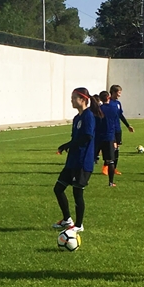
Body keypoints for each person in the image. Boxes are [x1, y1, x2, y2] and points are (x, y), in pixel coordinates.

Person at [52, 88, 102, 232]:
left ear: (83, 99)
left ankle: (79, 225)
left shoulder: (88, 116)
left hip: (83, 161)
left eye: (74, 98)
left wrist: (67, 145)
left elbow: (87, 137)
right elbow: (76, 138)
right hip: (72, 161)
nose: (72, 100)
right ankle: (67, 219)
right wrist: (68, 146)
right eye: (71, 98)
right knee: (58, 188)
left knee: (77, 193)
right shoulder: (77, 118)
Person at [109, 85, 135, 174]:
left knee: (117, 149)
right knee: (112, 148)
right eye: (118, 93)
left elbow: (120, 115)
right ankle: (106, 166)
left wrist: (128, 126)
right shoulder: (107, 103)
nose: (119, 95)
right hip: (110, 130)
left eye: (120, 93)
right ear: (113, 92)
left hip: (117, 129)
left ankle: (114, 168)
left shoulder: (118, 103)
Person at [95, 91, 118, 186]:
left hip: (98, 137)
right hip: (109, 137)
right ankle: (111, 182)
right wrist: (115, 139)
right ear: (108, 97)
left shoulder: (98, 109)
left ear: (100, 99)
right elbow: (115, 124)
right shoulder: (113, 109)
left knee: (90, 159)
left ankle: (82, 179)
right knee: (110, 161)